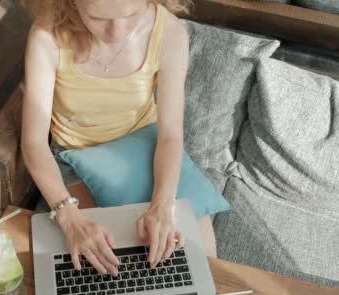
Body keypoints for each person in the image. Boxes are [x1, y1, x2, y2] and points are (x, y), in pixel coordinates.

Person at [20, 0, 216, 277]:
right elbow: (33, 143)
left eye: (132, 15)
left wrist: (163, 205)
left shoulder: (170, 33)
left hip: (143, 144)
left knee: (202, 264)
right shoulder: (47, 36)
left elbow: (170, 134)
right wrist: (68, 216)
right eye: (98, 18)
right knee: (105, 264)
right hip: (74, 156)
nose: (115, 32)